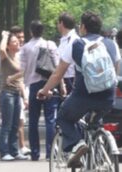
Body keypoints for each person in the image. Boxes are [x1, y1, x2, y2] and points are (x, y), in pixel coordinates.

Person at [37, 11, 120, 167]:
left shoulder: (76, 44)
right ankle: (98, 155)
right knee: (94, 123)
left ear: (82, 27)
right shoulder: (111, 44)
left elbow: (57, 74)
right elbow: (114, 72)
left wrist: (44, 90)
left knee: (63, 116)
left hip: (83, 97)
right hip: (108, 98)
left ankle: (77, 144)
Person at [20, 20, 61, 161]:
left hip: (34, 85)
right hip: (50, 83)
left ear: (31, 31)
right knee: (50, 119)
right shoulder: (51, 45)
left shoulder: (25, 48)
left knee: (33, 120)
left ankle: (35, 153)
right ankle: (50, 152)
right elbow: (57, 67)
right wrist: (61, 85)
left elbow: (22, 69)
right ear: (43, 31)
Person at [0, 30, 27, 161]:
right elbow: (2, 49)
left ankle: (14, 151)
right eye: (14, 41)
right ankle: (4, 152)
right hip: (7, 93)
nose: (18, 43)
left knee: (15, 124)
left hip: (16, 93)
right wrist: (5, 37)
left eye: (17, 41)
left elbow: (20, 78)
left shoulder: (19, 58)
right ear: (9, 45)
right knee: (7, 124)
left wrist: (24, 96)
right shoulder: (5, 57)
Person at [10, 26, 31, 157]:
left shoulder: (26, 51)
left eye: (22, 37)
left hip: (27, 86)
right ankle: (21, 146)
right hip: (15, 89)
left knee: (24, 119)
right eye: (18, 38)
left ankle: (21, 146)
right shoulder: (8, 54)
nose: (21, 40)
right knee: (19, 119)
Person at [56, 12, 79, 95]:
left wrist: (62, 84)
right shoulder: (66, 39)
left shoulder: (72, 40)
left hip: (69, 79)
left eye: (58, 23)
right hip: (65, 79)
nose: (57, 26)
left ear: (61, 23)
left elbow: (61, 64)